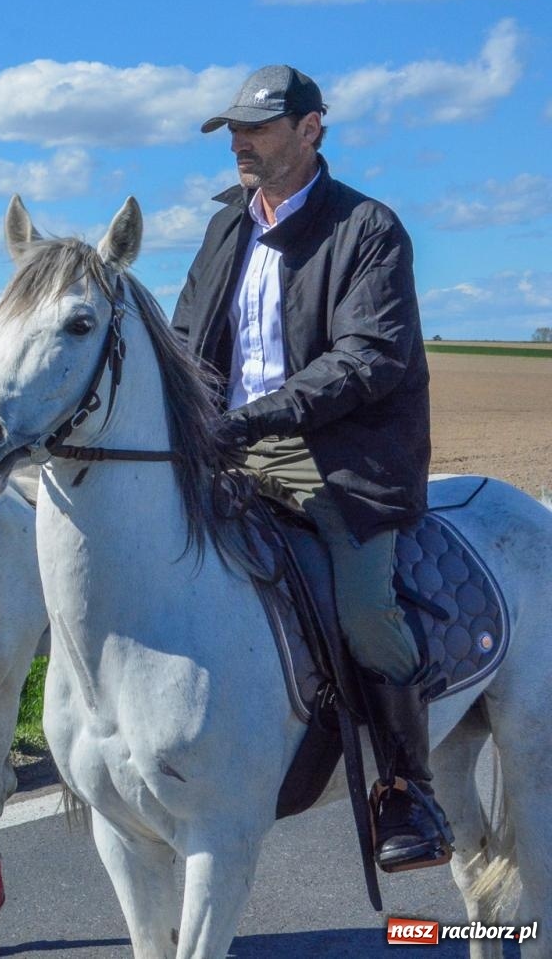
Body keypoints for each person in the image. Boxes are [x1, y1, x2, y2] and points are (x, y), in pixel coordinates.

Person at [171, 65, 451, 872]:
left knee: (365, 607)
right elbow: (190, 341)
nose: (239, 143)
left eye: (256, 128)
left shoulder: (368, 227)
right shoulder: (228, 226)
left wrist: (259, 418)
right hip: (229, 441)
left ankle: (406, 788)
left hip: (341, 456)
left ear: (311, 128)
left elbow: (369, 357)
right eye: (234, 130)